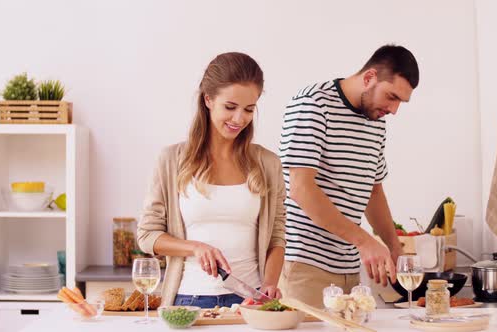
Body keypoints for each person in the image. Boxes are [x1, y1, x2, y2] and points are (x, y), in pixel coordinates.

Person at [138, 52, 286, 308]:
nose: (239, 119)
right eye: (230, 107)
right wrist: (194, 247)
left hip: (249, 303)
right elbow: (148, 236)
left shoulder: (268, 164)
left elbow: (277, 237)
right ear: (208, 99)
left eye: (249, 109)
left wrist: (270, 285)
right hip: (188, 300)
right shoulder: (171, 160)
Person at [278, 44, 420, 307]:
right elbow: (300, 189)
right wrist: (364, 241)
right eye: (391, 96)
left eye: (401, 101)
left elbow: (373, 191)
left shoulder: (376, 122)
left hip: (349, 269)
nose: (394, 109)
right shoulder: (313, 104)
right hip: (305, 267)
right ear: (369, 78)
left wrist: (393, 247)